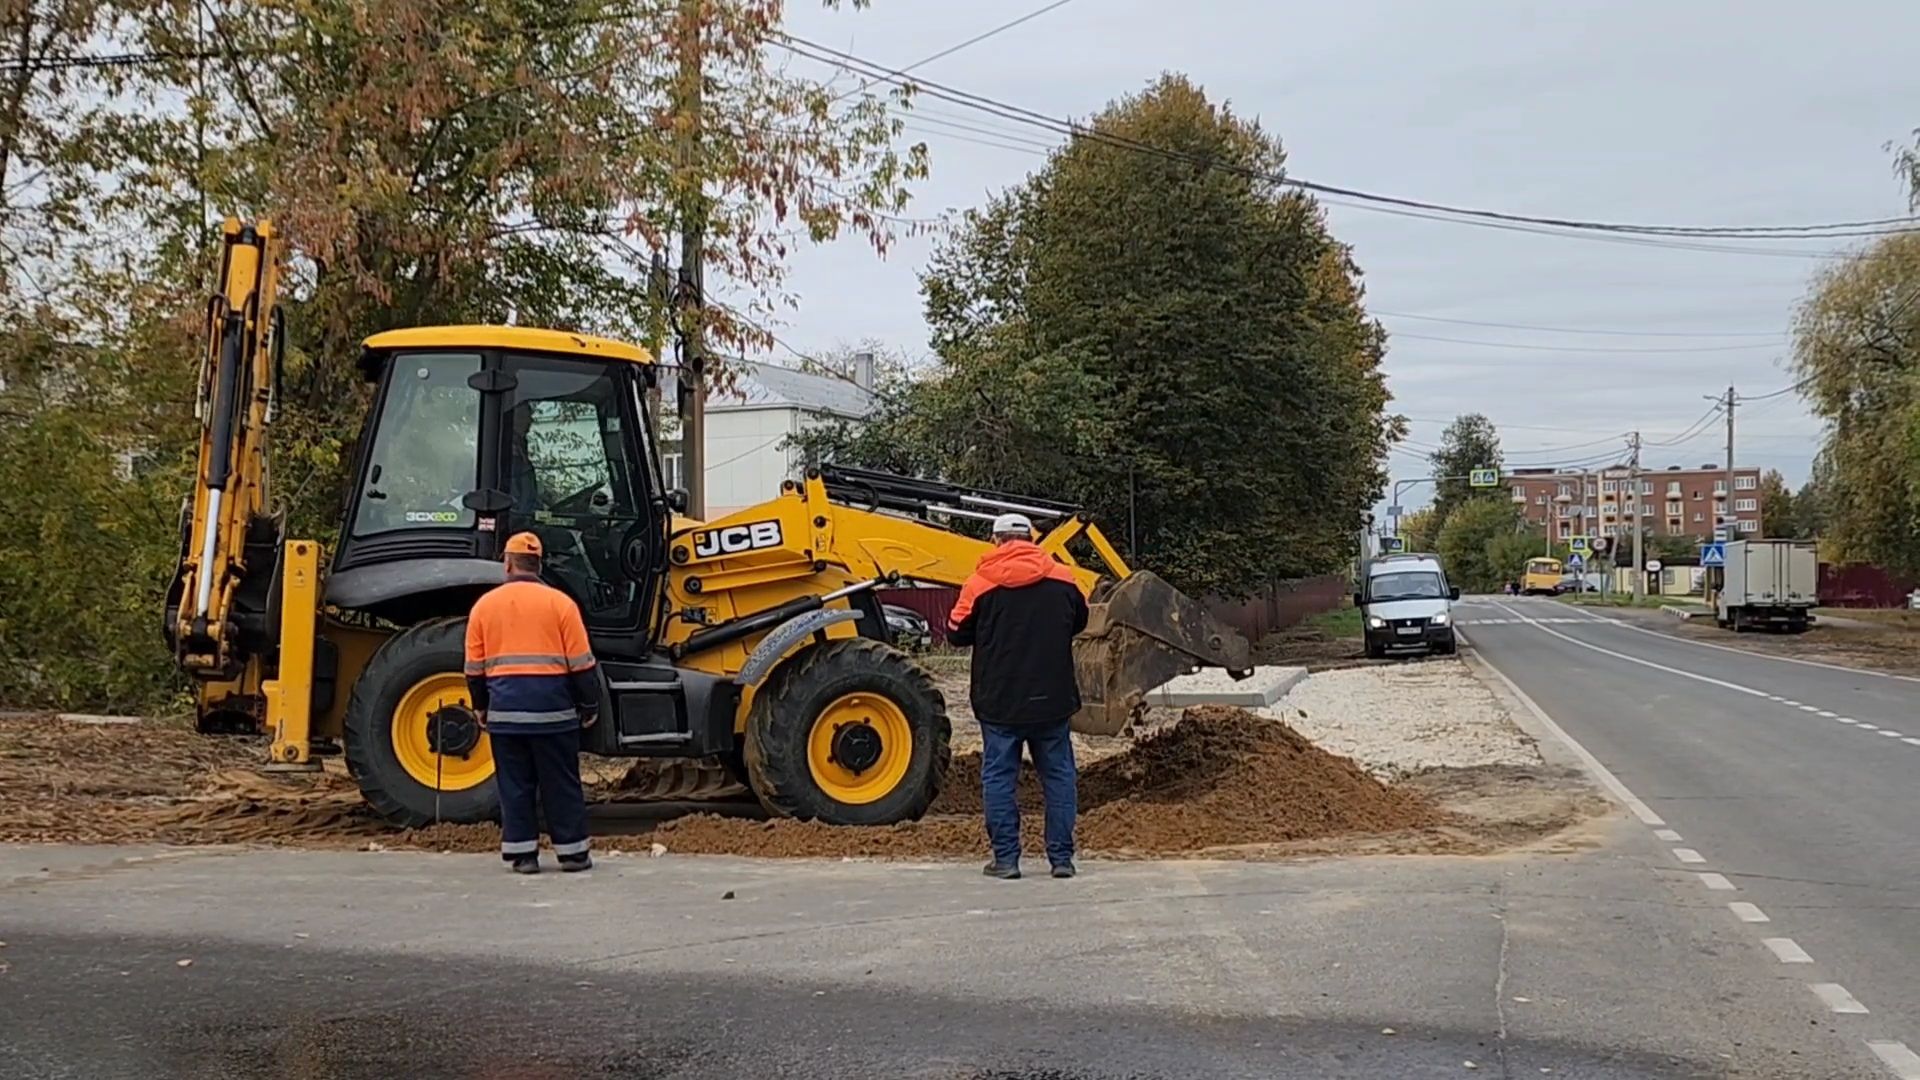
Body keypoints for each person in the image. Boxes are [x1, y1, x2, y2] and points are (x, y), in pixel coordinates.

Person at [947, 513, 1089, 880]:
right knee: (1058, 776)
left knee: (999, 777)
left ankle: (1006, 860)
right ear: (1031, 539)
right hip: (1052, 698)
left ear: (996, 540)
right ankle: (1061, 860)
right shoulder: (1062, 577)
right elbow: (1081, 620)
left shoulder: (979, 583)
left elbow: (955, 632)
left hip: (999, 700)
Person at [464, 532, 600, 874]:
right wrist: (589, 705)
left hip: (506, 715)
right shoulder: (561, 604)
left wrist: (481, 706)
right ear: (539, 564)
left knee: (514, 785)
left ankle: (523, 856)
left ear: (507, 563)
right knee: (561, 783)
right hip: (554, 714)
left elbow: (474, 669)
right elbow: (583, 665)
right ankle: (573, 854)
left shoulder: (483, 607)